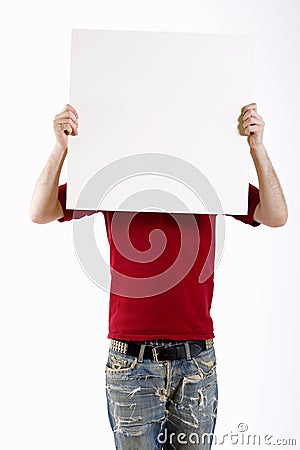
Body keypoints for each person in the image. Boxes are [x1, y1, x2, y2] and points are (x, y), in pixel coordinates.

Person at [30, 102, 288, 450]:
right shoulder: (112, 178)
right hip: (130, 362)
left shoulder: (210, 178)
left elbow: (275, 215)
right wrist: (59, 149)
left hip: (195, 360)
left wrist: (258, 149)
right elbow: (40, 210)